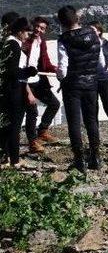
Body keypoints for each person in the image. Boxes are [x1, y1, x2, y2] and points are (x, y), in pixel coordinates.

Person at [56, 5, 102, 172]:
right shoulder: (93, 33)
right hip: (92, 83)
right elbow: (101, 61)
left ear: (61, 22)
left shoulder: (64, 39)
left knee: (74, 122)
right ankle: (95, 157)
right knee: (92, 120)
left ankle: (79, 160)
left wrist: (60, 77)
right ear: (77, 18)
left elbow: (62, 68)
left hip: (73, 85)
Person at [0, 18, 38, 167]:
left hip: (5, 90)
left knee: (5, 125)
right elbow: (13, 72)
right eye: (27, 32)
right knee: (15, 126)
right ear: (20, 31)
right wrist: (29, 71)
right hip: (13, 90)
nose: (28, 36)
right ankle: (15, 160)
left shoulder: (5, 43)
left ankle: (4, 157)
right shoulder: (14, 44)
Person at [22, 16, 60, 153]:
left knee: (54, 104)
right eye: (37, 26)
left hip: (38, 80)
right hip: (25, 82)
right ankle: (32, 143)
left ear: (45, 30)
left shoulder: (41, 42)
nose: (38, 29)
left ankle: (42, 131)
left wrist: (55, 69)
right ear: (32, 26)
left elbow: (45, 61)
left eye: (42, 28)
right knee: (32, 112)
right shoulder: (25, 41)